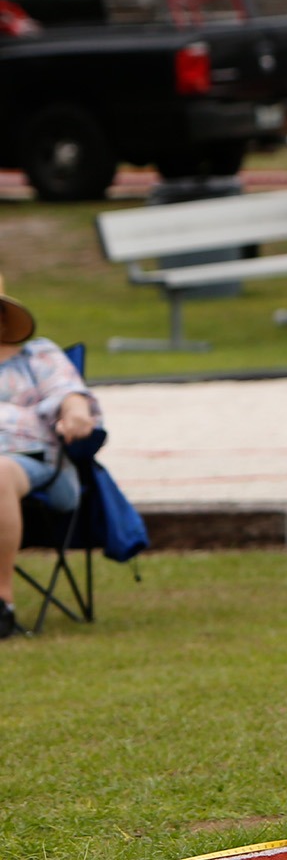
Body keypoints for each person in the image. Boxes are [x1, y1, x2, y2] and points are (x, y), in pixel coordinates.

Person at [0, 274, 100, 640]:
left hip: (40, 467)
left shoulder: (36, 355)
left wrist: (76, 412)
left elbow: (68, 391)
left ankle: (2, 602)